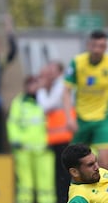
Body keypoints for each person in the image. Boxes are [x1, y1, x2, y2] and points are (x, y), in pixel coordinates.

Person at [63, 30, 108, 171]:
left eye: (101, 46)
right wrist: (69, 118)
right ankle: (81, 191)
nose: (97, 50)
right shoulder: (77, 62)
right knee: (76, 163)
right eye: (94, 45)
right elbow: (66, 91)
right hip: (81, 119)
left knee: (104, 161)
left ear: (106, 47)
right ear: (89, 45)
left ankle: (104, 192)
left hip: (104, 118)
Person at [7, 76, 56, 203]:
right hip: (24, 149)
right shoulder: (19, 102)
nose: (33, 87)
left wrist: (52, 140)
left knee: (46, 185)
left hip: (44, 149)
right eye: (31, 84)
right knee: (25, 184)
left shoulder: (45, 101)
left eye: (36, 84)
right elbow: (12, 123)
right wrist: (16, 140)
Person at [37, 62, 73, 203]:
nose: (49, 73)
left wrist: (41, 89)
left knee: (64, 173)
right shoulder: (54, 87)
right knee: (59, 174)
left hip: (65, 137)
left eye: (52, 69)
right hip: (56, 138)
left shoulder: (61, 86)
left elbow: (46, 105)